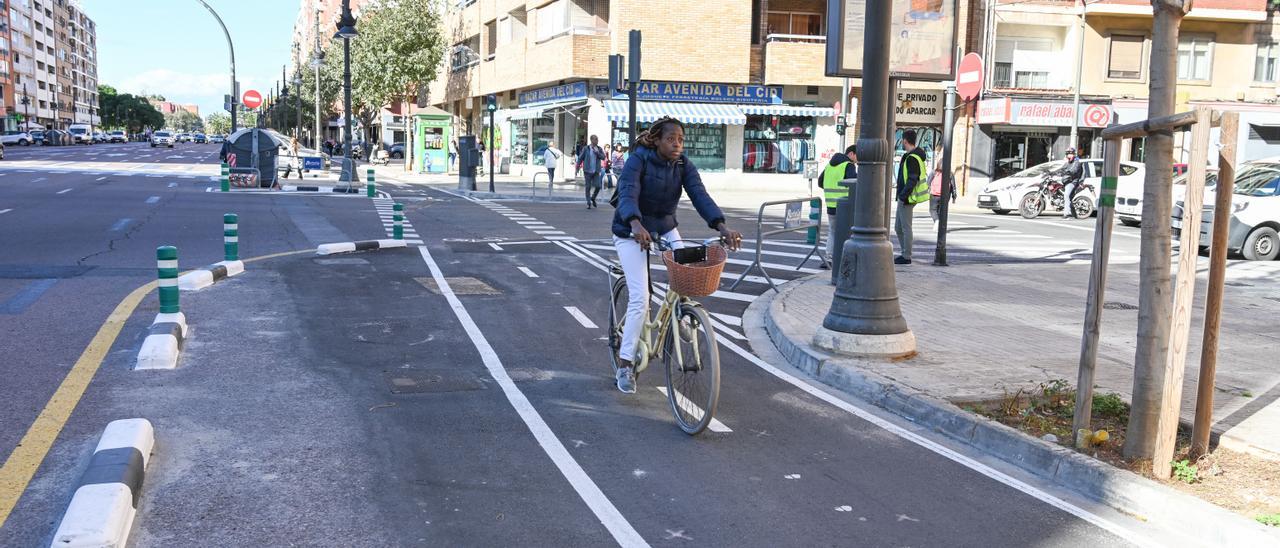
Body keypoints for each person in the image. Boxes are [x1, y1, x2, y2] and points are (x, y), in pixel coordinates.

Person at [611, 116, 742, 394]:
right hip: (630, 229)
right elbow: (627, 192)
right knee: (641, 298)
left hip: (665, 228)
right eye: (671, 139)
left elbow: (699, 195)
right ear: (657, 140)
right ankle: (624, 364)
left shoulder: (683, 165)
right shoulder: (639, 159)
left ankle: (682, 314)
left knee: (686, 277)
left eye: (681, 139)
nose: (677, 144)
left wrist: (722, 226)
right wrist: (635, 223)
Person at [894, 130, 929, 265]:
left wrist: (903, 196)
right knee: (898, 227)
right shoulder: (911, 156)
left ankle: (906, 256)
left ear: (904, 141)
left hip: (908, 197)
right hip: (905, 196)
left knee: (905, 227)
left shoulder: (913, 158)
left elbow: (912, 179)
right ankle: (904, 253)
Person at [819, 145, 857, 265]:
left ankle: (829, 258)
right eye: (857, 156)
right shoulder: (848, 165)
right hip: (844, 204)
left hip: (830, 204)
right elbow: (854, 182)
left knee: (833, 231)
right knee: (847, 232)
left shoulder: (829, 165)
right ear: (851, 154)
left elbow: (820, 182)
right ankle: (844, 258)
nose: (857, 159)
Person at [579, 135, 606, 208]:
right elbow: (580, 158)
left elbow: (603, 157)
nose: (597, 141)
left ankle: (593, 198)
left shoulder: (599, 149)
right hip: (587, 170)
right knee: (588, 187)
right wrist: (577, 167)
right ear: (591, 140)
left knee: (598, 186)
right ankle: (588, 202)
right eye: (595, 139)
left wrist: (597, 153)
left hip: (596, 171)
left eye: (597, 139)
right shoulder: (586, 148)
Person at [1057, 147, 1085, 219]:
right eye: (1068, 154)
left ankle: (1067, 214)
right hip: (1066, 181)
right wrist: (1053, 172)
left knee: (1066, 195)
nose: (1069, 155)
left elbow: (1073, 171)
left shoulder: (1077, 162)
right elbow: (1061, 169)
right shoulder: (1068, 163)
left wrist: (1066, 171)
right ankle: (1074, 214)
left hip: (1073, 182)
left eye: (1071, 154)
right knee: (1069, 198)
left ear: (1074, 154)